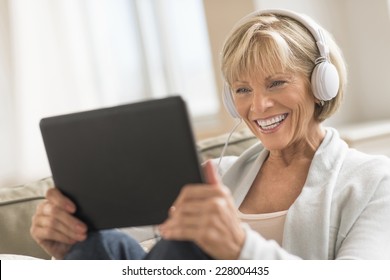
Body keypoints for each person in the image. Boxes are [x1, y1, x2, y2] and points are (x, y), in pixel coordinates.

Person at [30, 9, 390, 260]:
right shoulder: (215, 176)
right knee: (99, 244)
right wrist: (69, 243)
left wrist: (238, 246)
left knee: (183, 249)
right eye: (242, 89)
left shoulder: (374, 181)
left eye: (277, 83)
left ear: (321, 83)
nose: (259, 106)